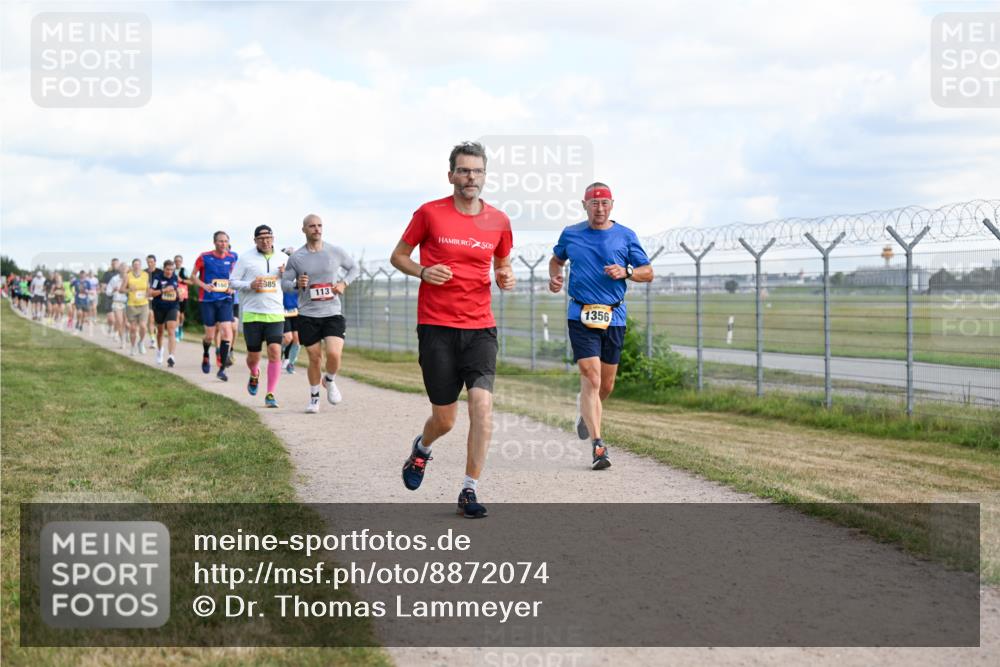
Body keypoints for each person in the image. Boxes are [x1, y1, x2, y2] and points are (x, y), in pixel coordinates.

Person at [389, 140, 515, 519]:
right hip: (436, 328)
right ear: (451, 175)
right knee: (445, 419)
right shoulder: (429, 213)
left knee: (482, 406)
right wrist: (424, 271)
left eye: (476, 171)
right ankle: (422, 448)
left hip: (480, 328)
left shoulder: (499, 220)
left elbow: (502, 264)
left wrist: (505, 277)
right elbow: (398, 256)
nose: (470, 177)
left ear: (484, 176)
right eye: (463, 170)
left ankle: (469, 489)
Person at [548, 182, 654, 470]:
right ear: (584, 205)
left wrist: (627, 271)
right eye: (594, 203)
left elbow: (648, 272)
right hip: (580, 313)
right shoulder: (571, 233)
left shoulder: (625, 235)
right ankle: (598, 446)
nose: (599, 208)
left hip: (614, 316)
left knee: (605, 386)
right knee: (591, 378)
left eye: (604, 203)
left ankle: (586, 413)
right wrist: (555, 277)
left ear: (612, 205)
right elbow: (556, 260)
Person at [281, 215, 360, 413]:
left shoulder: (334, 251)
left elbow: (354, 268)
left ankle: (330, 380)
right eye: (312, 226)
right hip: (308, 313)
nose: (317, 229)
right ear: (304, 230)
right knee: (314, 358)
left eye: (319, 226)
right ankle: (314, 398)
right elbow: (284, 284)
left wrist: (343, 283)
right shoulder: (296, 257)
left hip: (332, 311)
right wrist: (296, 284)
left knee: (334, 354)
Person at [231, 225, 286, 408]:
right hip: (253, 314)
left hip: (275, 313)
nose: (265, 241)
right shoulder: (246, 259)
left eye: (268, 237)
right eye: (261, 238)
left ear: (273, 238)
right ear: (255, 240)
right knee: (253, 357)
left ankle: (270, 393)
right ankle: (254, 372)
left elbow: (293, 283)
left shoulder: (283, 258)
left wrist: (288, 276)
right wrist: (250, 285)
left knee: (275, 352)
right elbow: (233, 282)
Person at [192, 232, 238, 381]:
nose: (223, 244)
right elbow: (193, 276)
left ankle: (222, 368)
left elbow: (238, 277)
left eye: (225, 241)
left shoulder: (233, 257)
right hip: (208, 300)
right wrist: (204, 285)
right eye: (220, 241)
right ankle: (206, 354)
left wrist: (233, 288)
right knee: (210, 336)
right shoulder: (204, 257)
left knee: (227, 331)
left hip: (225, 299)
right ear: (214, 242)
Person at [150, 259, 181, 367]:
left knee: (171, 329)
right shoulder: (157, 278)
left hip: (172, 306)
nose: (169, 272)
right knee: (160, 331)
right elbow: (150, 293)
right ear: (164, 268)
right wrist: (163, 290)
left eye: (172, 270)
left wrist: (179, 294)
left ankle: (171, 356)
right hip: (159, 307)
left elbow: (177, 290)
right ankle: (159, 351)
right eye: (167, 269)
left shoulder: (175, 277)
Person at [121, 258, 150, 354]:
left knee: (143, 326)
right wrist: (129, 289)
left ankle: (141, 342)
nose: (137, 266)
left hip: (144, 304)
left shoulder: (145, 275)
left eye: (138, 264)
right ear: (132, 266)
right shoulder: (128, 276)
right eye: (135, 264)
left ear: (140, 266)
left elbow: (148, 288)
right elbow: (121, 290)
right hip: (132, 305)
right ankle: (132, 347)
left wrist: (148, 294)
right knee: (133, 328)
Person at [281, 250, 301, 375]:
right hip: (283, 310)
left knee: (297, 339)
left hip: (297, 310)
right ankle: (279, 351)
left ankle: (291, 363)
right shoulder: (281, 274)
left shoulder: (300, 274)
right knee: (288, 338)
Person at [106, 264, 128, 347]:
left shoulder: (130, 278)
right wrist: (113, 290)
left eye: (125, 268)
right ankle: (122, 341)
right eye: (122, 268)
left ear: (128, 269)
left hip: (128, 302)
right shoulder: (114, 279)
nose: (123, 270)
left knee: (126, 323)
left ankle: (125, 335)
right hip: (117, 302)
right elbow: (108, 292)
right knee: (119, 321)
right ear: (119, 269)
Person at [101, 258, 120, 335]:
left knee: (118, 317)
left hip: (119, 297)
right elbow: (103, 284)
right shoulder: (107, 274)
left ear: (118, 264)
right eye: (113, 264)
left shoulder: (122, 274)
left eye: (116, 263)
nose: (114, 265)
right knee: (111, 318)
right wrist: (104, 288)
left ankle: (116, 332)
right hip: (109, 297)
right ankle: (110, 326)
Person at [174, 255, 189, 340]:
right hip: (174, 295)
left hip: (184, 295)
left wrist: (181, 280)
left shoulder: (185, 271)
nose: (177, 262)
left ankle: (180, 327)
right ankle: (176, 331)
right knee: (177, 313)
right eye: (176, 261)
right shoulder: (172, 270)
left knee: (182, 314)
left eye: (179, 261)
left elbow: (191, 281)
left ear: (181, 262)